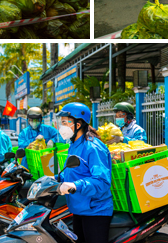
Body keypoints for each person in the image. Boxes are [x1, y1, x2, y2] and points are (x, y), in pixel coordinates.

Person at [55, 103, 113, 242]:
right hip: (78, 208)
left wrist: (75, 186)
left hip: (95, 210)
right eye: (61, 122)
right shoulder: (74, 145)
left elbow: (102, 181)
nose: (61, 126)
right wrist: (56, 179)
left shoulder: (93, 147)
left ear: (78, 124)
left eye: (65, 122)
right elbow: (74, 172)